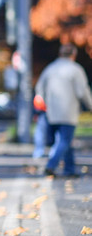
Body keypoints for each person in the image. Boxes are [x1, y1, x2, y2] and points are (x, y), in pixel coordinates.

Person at [35, 44, 92, 177]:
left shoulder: (50, 69)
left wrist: (46, 103)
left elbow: (39, 89)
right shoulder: (75, 70)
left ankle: (69, 169)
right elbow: (82, 91)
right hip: (68, 112)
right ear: (73, 55)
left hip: (52, 112)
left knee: (64, 141)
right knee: (65, 140)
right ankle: (51, 164)